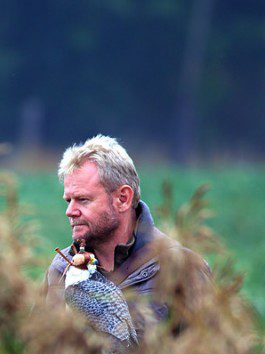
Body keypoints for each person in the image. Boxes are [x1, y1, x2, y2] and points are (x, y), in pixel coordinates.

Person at [44, 135, 211, 339]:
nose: (70, 211)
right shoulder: (61, 270)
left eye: (83, 200)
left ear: (123, 199)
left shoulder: (181, 268)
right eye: (68, 200)